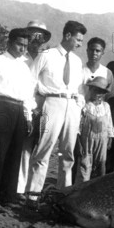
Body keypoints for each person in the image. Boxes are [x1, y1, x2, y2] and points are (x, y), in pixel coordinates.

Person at [26, 20, 87, 208]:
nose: (80, 44)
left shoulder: (77, 62)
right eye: (78, 39)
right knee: (44, 150)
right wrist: (31, 108)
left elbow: (80, 89)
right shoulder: (47, 55)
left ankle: (63, 195)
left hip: (72, 107)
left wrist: (79, 105)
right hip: (52, 103)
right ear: (67, 35)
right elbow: (31, 82)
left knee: (68, 153)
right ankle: (33, 196)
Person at [0, 28, 36, 207]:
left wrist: (28, 116)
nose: (23, 49)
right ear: (9, 43)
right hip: (2, 108)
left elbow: (28, 94)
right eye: (19, 44)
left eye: (25, 46)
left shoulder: (24, 67)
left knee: (15, 155)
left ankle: (8, 196)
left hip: (20, 109)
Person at [17, 20, 52, 199]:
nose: (36, 38)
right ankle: (20, 187)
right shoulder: (20, 58)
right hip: (21, 106)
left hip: (42, 108)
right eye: (33, 33)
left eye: (40, 35)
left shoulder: (46, 57)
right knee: (23, 148)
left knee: (37, 149)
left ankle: (31, 186)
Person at [75, 77, 114, 183]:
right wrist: (79, 143)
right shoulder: (85, 106)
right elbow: (78, 127)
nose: (98, 94)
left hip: (102, 141)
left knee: (100, 165)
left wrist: (110, 138)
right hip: (87, 141)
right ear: (90, 89)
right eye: (96, 90)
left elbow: (109, 124)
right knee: (85, 166)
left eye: (101, 91)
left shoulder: (106, 106)